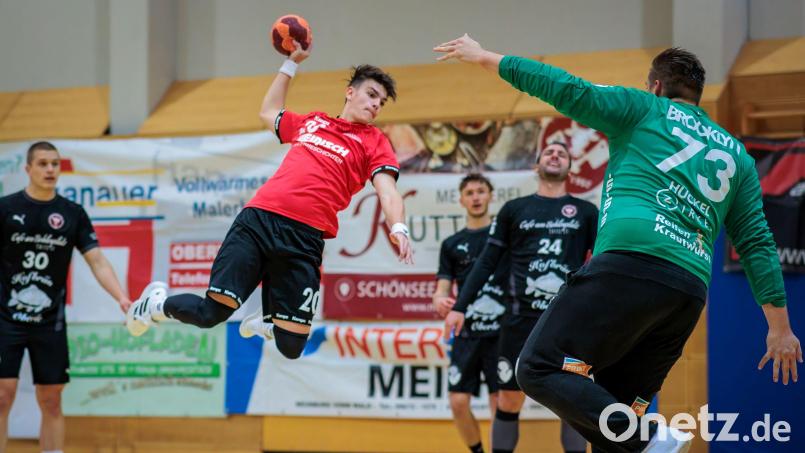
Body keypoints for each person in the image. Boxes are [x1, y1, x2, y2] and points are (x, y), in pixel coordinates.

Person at [435, 35, 803, 452]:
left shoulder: (644, 108)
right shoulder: (737, 154)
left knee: (538, 368)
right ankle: (643, 438)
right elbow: (756, 241)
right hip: (686, 295)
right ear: (698, 96)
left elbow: (565, 87)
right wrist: (780, 329)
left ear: (657, 86)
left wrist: (486, 57)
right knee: (617, 423)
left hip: (632, 266)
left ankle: (651, 438)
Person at [126, 42, 413, 360]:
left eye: (381, 102)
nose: (376, 105)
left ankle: (268, 320)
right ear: (350, 92)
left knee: (291, 348)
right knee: (212, 314)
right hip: (260, 221)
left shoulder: (374, 142)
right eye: (372, 95)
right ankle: (154, 305)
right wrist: (290, 64)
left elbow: (387, 191)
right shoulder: (314, 122)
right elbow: (268, 112)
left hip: (304, 240)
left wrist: (398, 227)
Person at [444, 144, 596, 453]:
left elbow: (602, 265)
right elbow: (486, 262)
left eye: (562, 154)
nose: (555, 155)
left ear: (570, 169)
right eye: (549, 152)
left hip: (566, 324)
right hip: (518, 323)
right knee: (509, 399)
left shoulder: (586, 212)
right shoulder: (514, 210)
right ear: (537, 165)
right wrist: (459, 307)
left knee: (572, 399)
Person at [0, 141, 131, 453]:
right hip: (5, 319)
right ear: (27, 169)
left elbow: (97, 261)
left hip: (49, 322)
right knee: (3, 395)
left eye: (55, 164)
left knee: (52, 400)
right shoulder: (5, 209)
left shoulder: (72, 213)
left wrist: (122, 298)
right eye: (43, 164)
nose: (49, 170)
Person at [433, 173, 508, 453]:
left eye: (481, 191)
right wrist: (439, 300)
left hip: (501, 333)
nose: (476, 197)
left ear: (491, 196)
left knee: (499, 404)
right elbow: (441, 289)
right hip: (466, 334)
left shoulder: (504, 237)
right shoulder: (452, 244)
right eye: (470, 192)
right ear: (461, 199)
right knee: (458, 402)